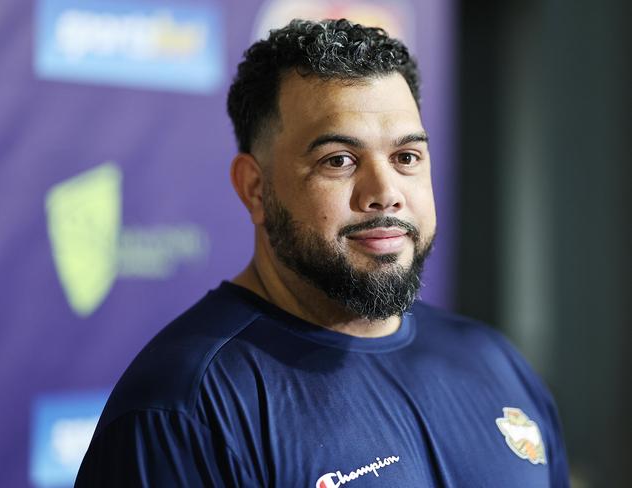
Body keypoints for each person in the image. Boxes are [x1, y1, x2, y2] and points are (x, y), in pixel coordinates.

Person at [75, 19, 569, 487]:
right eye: (339, 160)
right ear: (254, 188)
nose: (385, 191)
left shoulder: (493, 359)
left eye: (406, 158)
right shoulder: (185, 408)